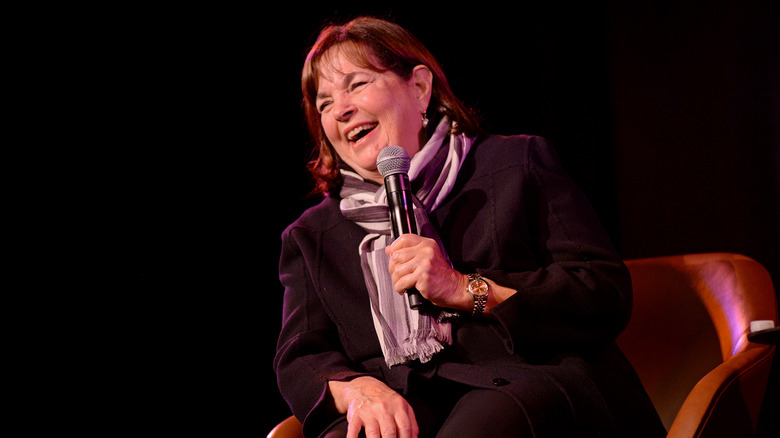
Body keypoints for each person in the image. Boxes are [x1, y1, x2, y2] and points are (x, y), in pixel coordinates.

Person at [274, 16, 666, 438]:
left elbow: (601, 292)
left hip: (529, 388)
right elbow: (301, 357)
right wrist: (357, 389)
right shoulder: (313, 235)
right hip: (405, 404)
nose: (341, 109)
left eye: (356, 84)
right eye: (325, 103)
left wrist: (465, 289)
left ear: (420, 88)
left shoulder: (515, 165)